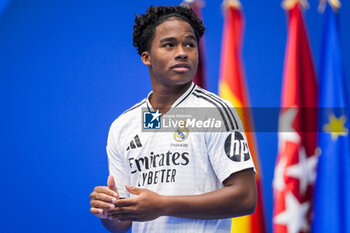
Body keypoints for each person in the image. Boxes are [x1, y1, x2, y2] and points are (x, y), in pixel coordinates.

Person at [89, 5, 257, 233]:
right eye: (169, 44)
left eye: (190, 44)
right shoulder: (122, 126)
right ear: (146, 57)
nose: (182, 52)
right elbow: (122, 223)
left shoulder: (216, 111)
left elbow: (245, 197)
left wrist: (163, 205)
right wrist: (108, 211)